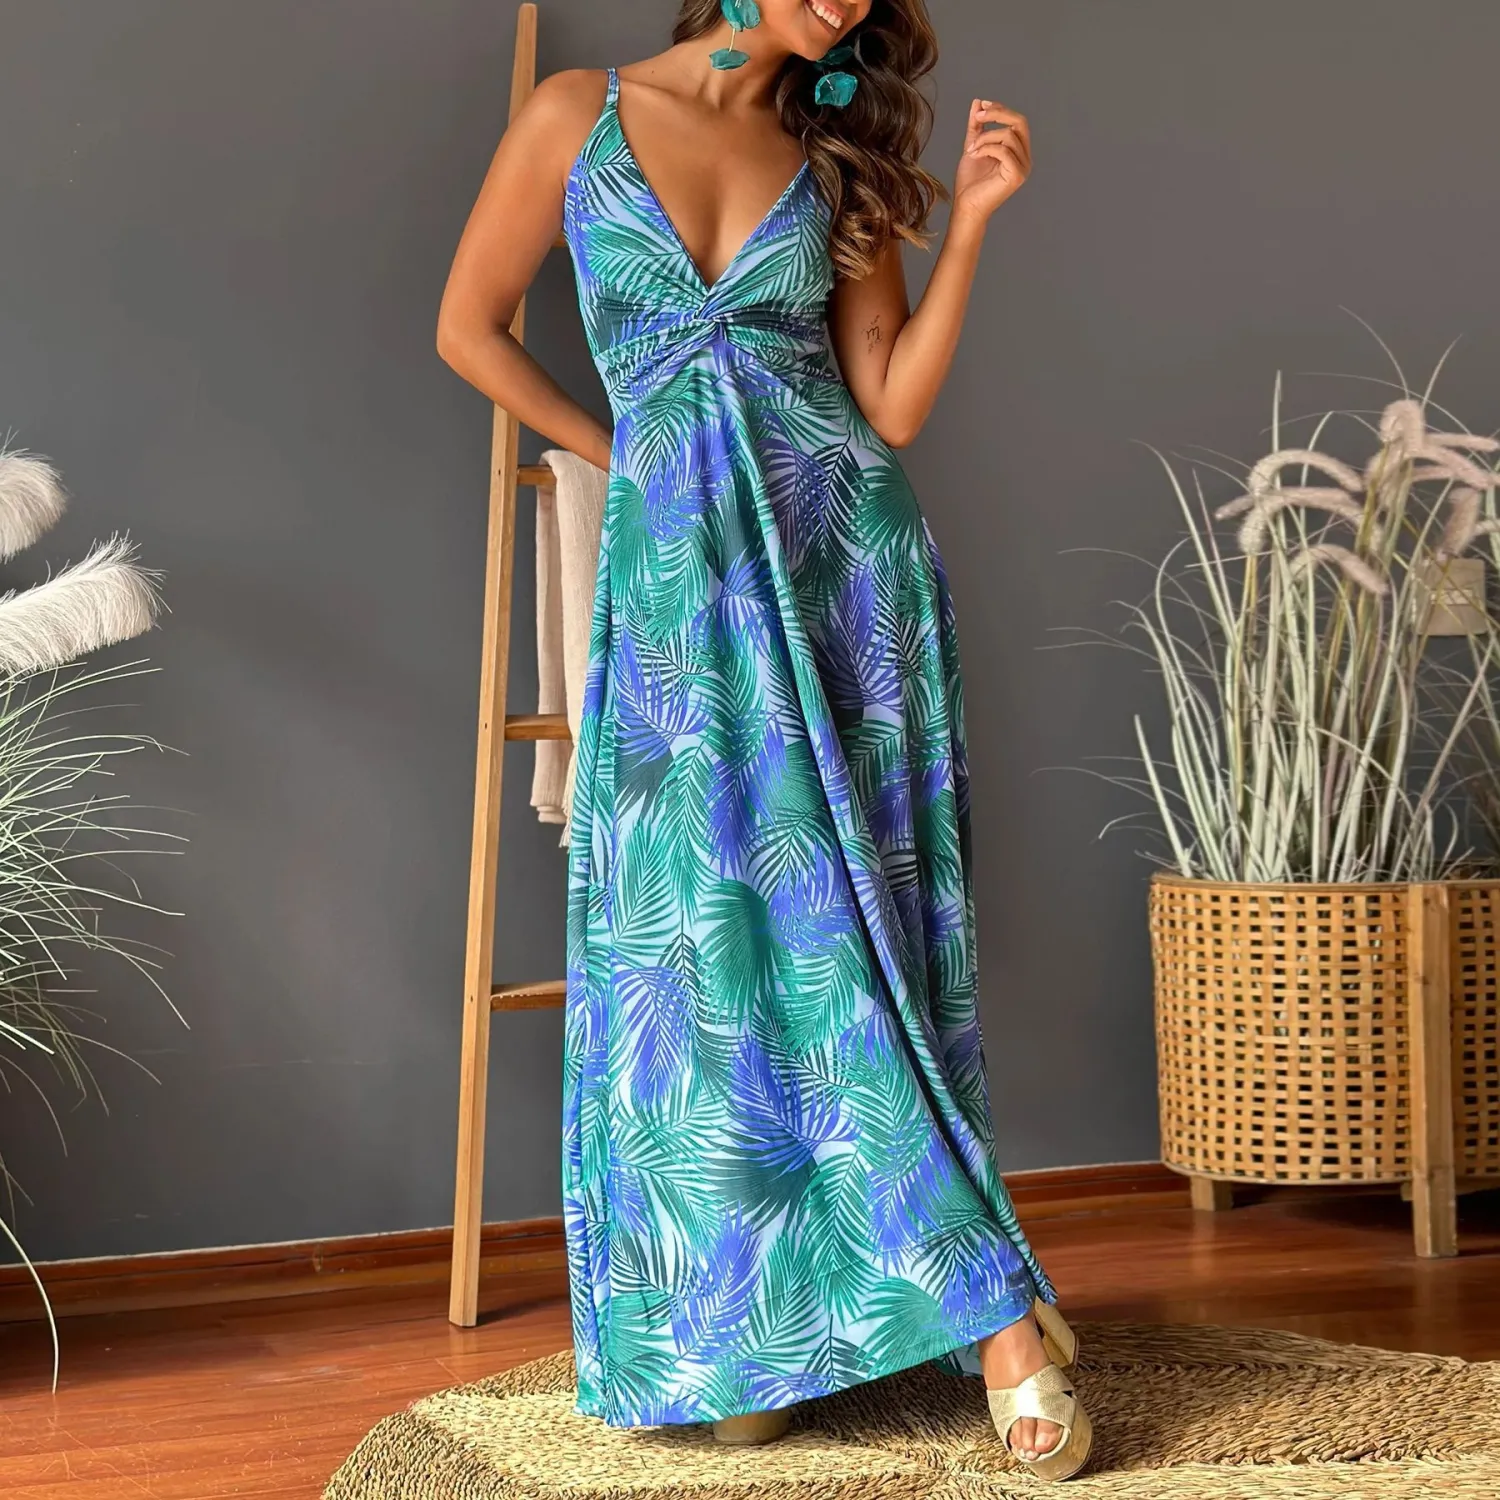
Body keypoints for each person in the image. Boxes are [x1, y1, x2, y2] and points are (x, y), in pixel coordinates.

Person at [437, 0, 1092, 1481]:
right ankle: (755, 1323)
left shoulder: (838, 149)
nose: (845, 1)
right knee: (703, 949)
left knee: (843, 939)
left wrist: (971, 225)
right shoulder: (574, 115)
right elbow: (466, 325)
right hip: (680, 585)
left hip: (841, 572)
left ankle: (998, 1325)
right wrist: (627, 452)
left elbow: (891, 406)